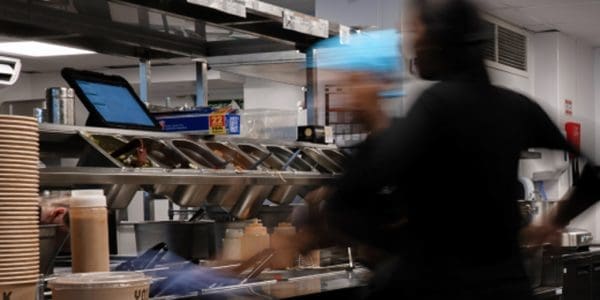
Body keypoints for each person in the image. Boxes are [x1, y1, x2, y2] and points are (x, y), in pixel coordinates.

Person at [307, 0, 600, 299]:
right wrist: (555, 220)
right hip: (509, 288)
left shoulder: (437, 105)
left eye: (415, 30)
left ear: (440, 37)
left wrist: (393, 243)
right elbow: (597, 172)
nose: (411, 44)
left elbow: (350, 196)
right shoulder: (516, 106)